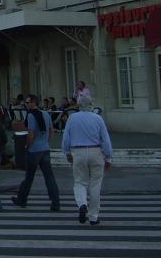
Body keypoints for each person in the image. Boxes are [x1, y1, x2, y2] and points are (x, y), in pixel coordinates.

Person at [62, 94, 113, 226]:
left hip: (78, 152)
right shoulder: (98, 118)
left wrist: (67, 152)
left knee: (80, 181)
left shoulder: (72, 118)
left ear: (79, 105)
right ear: (91, 105)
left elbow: (66, 137)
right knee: (95, 185)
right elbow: (105, 139)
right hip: (96, 151)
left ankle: (82, 204)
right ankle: (93, 216)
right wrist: (108, 157)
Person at [11, 94, 61, 211]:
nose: (26, 105)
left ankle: (22, 199)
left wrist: (27, 146)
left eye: (28, 102)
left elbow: (31, 133)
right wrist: (46, 142)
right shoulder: (45, 114)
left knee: (29, 177)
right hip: (45, 149)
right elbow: (51, 130)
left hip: (34, 150)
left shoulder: (31, 115)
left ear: (34, 103)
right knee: (49, 177)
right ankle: (55, 202)